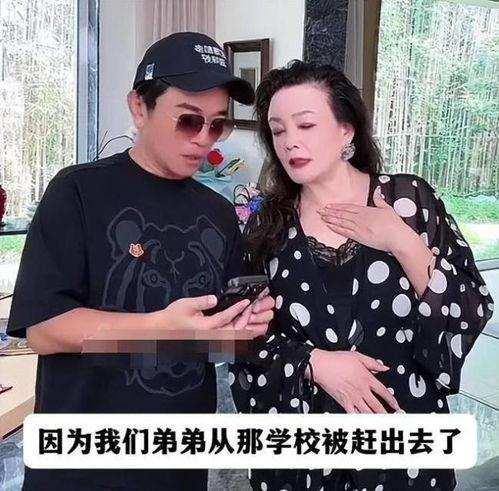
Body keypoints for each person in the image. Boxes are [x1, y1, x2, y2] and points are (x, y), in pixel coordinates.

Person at [7, 32, 274, 491]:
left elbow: (211, 342)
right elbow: (44, 330)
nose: (204, 139)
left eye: (217, 125)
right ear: (139, 107)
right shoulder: (78, 192)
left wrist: (242, 328)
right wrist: (158, 328)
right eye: (188, 120)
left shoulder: (217, 212)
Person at [230, 60, 494, 490]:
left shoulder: (409, 202)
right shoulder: (266, 226)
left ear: (346, 131)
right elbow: (243, 337)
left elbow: (469, 309)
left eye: (306, 125)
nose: (290, 141)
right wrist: (313, 363)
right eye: (278, 131)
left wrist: (402, 242)